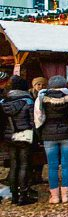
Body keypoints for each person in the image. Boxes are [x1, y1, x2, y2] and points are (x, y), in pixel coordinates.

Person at [34, 75, 68, 204]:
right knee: (66, 165)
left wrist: (40, 135)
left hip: (49, 136)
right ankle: (65, 195)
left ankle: (54, 196)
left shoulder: (42, 99)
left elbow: (38, 119)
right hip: (67, 135)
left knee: (52, 166)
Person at [1, 76, 37, 206]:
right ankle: (23, 195)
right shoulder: (28, 101)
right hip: (24, 135)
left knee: (14, 165)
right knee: (24, 165)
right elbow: (34, 121)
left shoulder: (4, 101)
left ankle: (14, 195)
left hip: (9, 136)